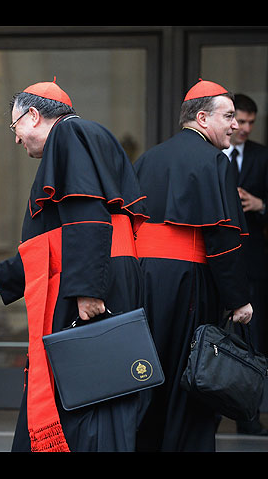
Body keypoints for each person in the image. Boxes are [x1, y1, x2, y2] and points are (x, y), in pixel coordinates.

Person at [0, 77, 148, 452]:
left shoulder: (70, 134)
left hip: (89, 281)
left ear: (33, 116)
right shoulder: (85, 135)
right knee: (96, 387)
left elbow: (86, 217)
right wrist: (1, 275)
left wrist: (88, 291)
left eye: (15, 127)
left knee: (90, 390)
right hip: (96, 269)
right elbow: (53, 243)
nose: (16, 139)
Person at [133, 79, 253, 452]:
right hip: (188, 282)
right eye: (229, 116)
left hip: (145, 282)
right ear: (202, 118)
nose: (235, 125)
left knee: (146, 375)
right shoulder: (215, 160)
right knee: (192, 377)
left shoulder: (148, 157)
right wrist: (237, 300)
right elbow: (221, 240)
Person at [223, 93, 268, 435]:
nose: (246, 129)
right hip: (211, 260)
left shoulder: (262, 156)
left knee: (250, 339)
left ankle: (247, 417)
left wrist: (261, 204)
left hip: (250, 263)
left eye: (252, 122)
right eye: (241, 121)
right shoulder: (209, 152)